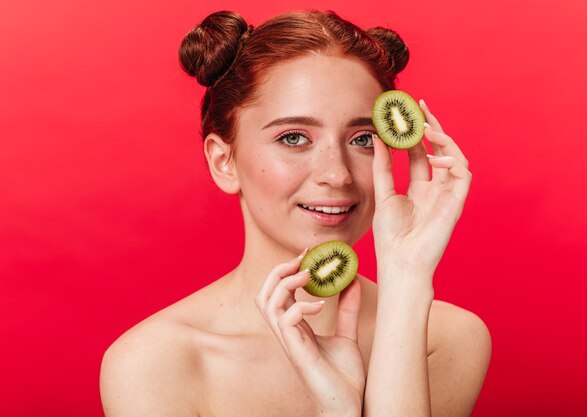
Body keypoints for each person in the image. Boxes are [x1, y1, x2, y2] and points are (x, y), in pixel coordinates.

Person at [99, 9, 491, 417]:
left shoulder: (445, 339)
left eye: (362, 138)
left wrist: (408, 280)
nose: (338, 174)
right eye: (293, 137)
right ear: (224, 161)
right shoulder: (153, 364)